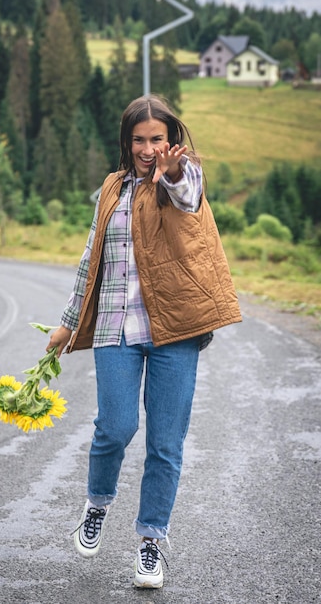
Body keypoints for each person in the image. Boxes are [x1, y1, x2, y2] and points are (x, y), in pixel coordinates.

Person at [47, 94, 242, 589]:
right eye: (140, 139)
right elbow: (92, 255)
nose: (149, 148)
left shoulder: (184, 175)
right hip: (117, 326)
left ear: (172, 141)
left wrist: (173, 172)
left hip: (174, 329)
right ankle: (97, 505)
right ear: (127, 141)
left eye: (158, 139)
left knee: (165, 443)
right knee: (115, 426)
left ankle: (151, 542)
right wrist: (69, 321)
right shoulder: (112, 187)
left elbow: (185, 194)